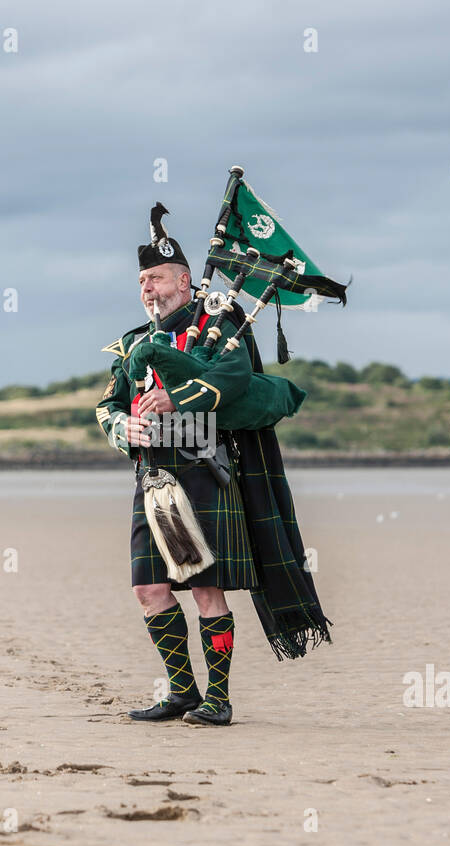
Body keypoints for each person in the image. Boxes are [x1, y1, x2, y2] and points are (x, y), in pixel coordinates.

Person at [95, 205, 333, 728]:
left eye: (155, 278)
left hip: (204, 469)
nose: (148, 289)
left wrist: (177, 399)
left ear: (184, 280)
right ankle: (182, 691)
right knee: (149, 588)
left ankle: (218, 700)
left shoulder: (220, 328)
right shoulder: (133, 342)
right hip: (151, 477)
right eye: (141, 281)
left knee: (205, 587)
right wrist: (121, 429)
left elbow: (235, 379)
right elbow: (107, 404)